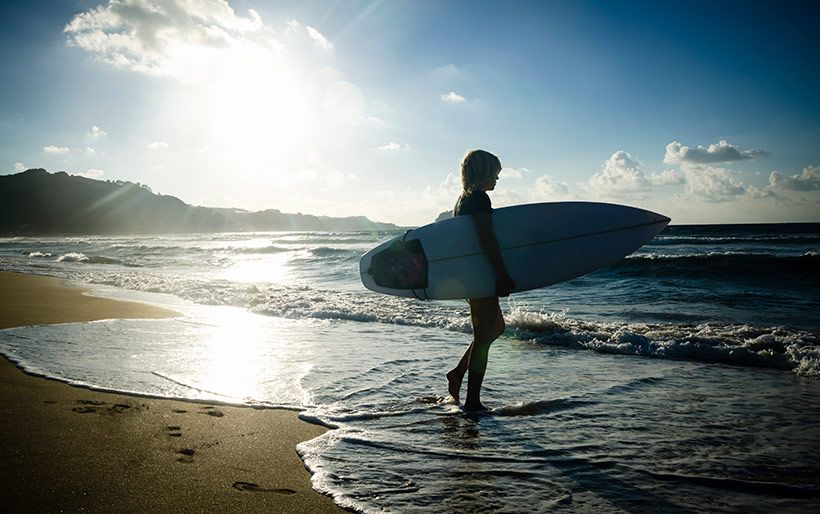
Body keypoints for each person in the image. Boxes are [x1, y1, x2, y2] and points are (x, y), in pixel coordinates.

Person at [446, 149, 516, 411]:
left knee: (495, 328)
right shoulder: (480, 200)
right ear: (484, 172)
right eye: (495, 173)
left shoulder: (463, 200)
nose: (497, 178)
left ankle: (457, 373)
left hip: (471, 274)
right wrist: (501, 274)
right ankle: (473, 401)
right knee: (484, 336)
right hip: (481, 275)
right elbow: (487, 239)